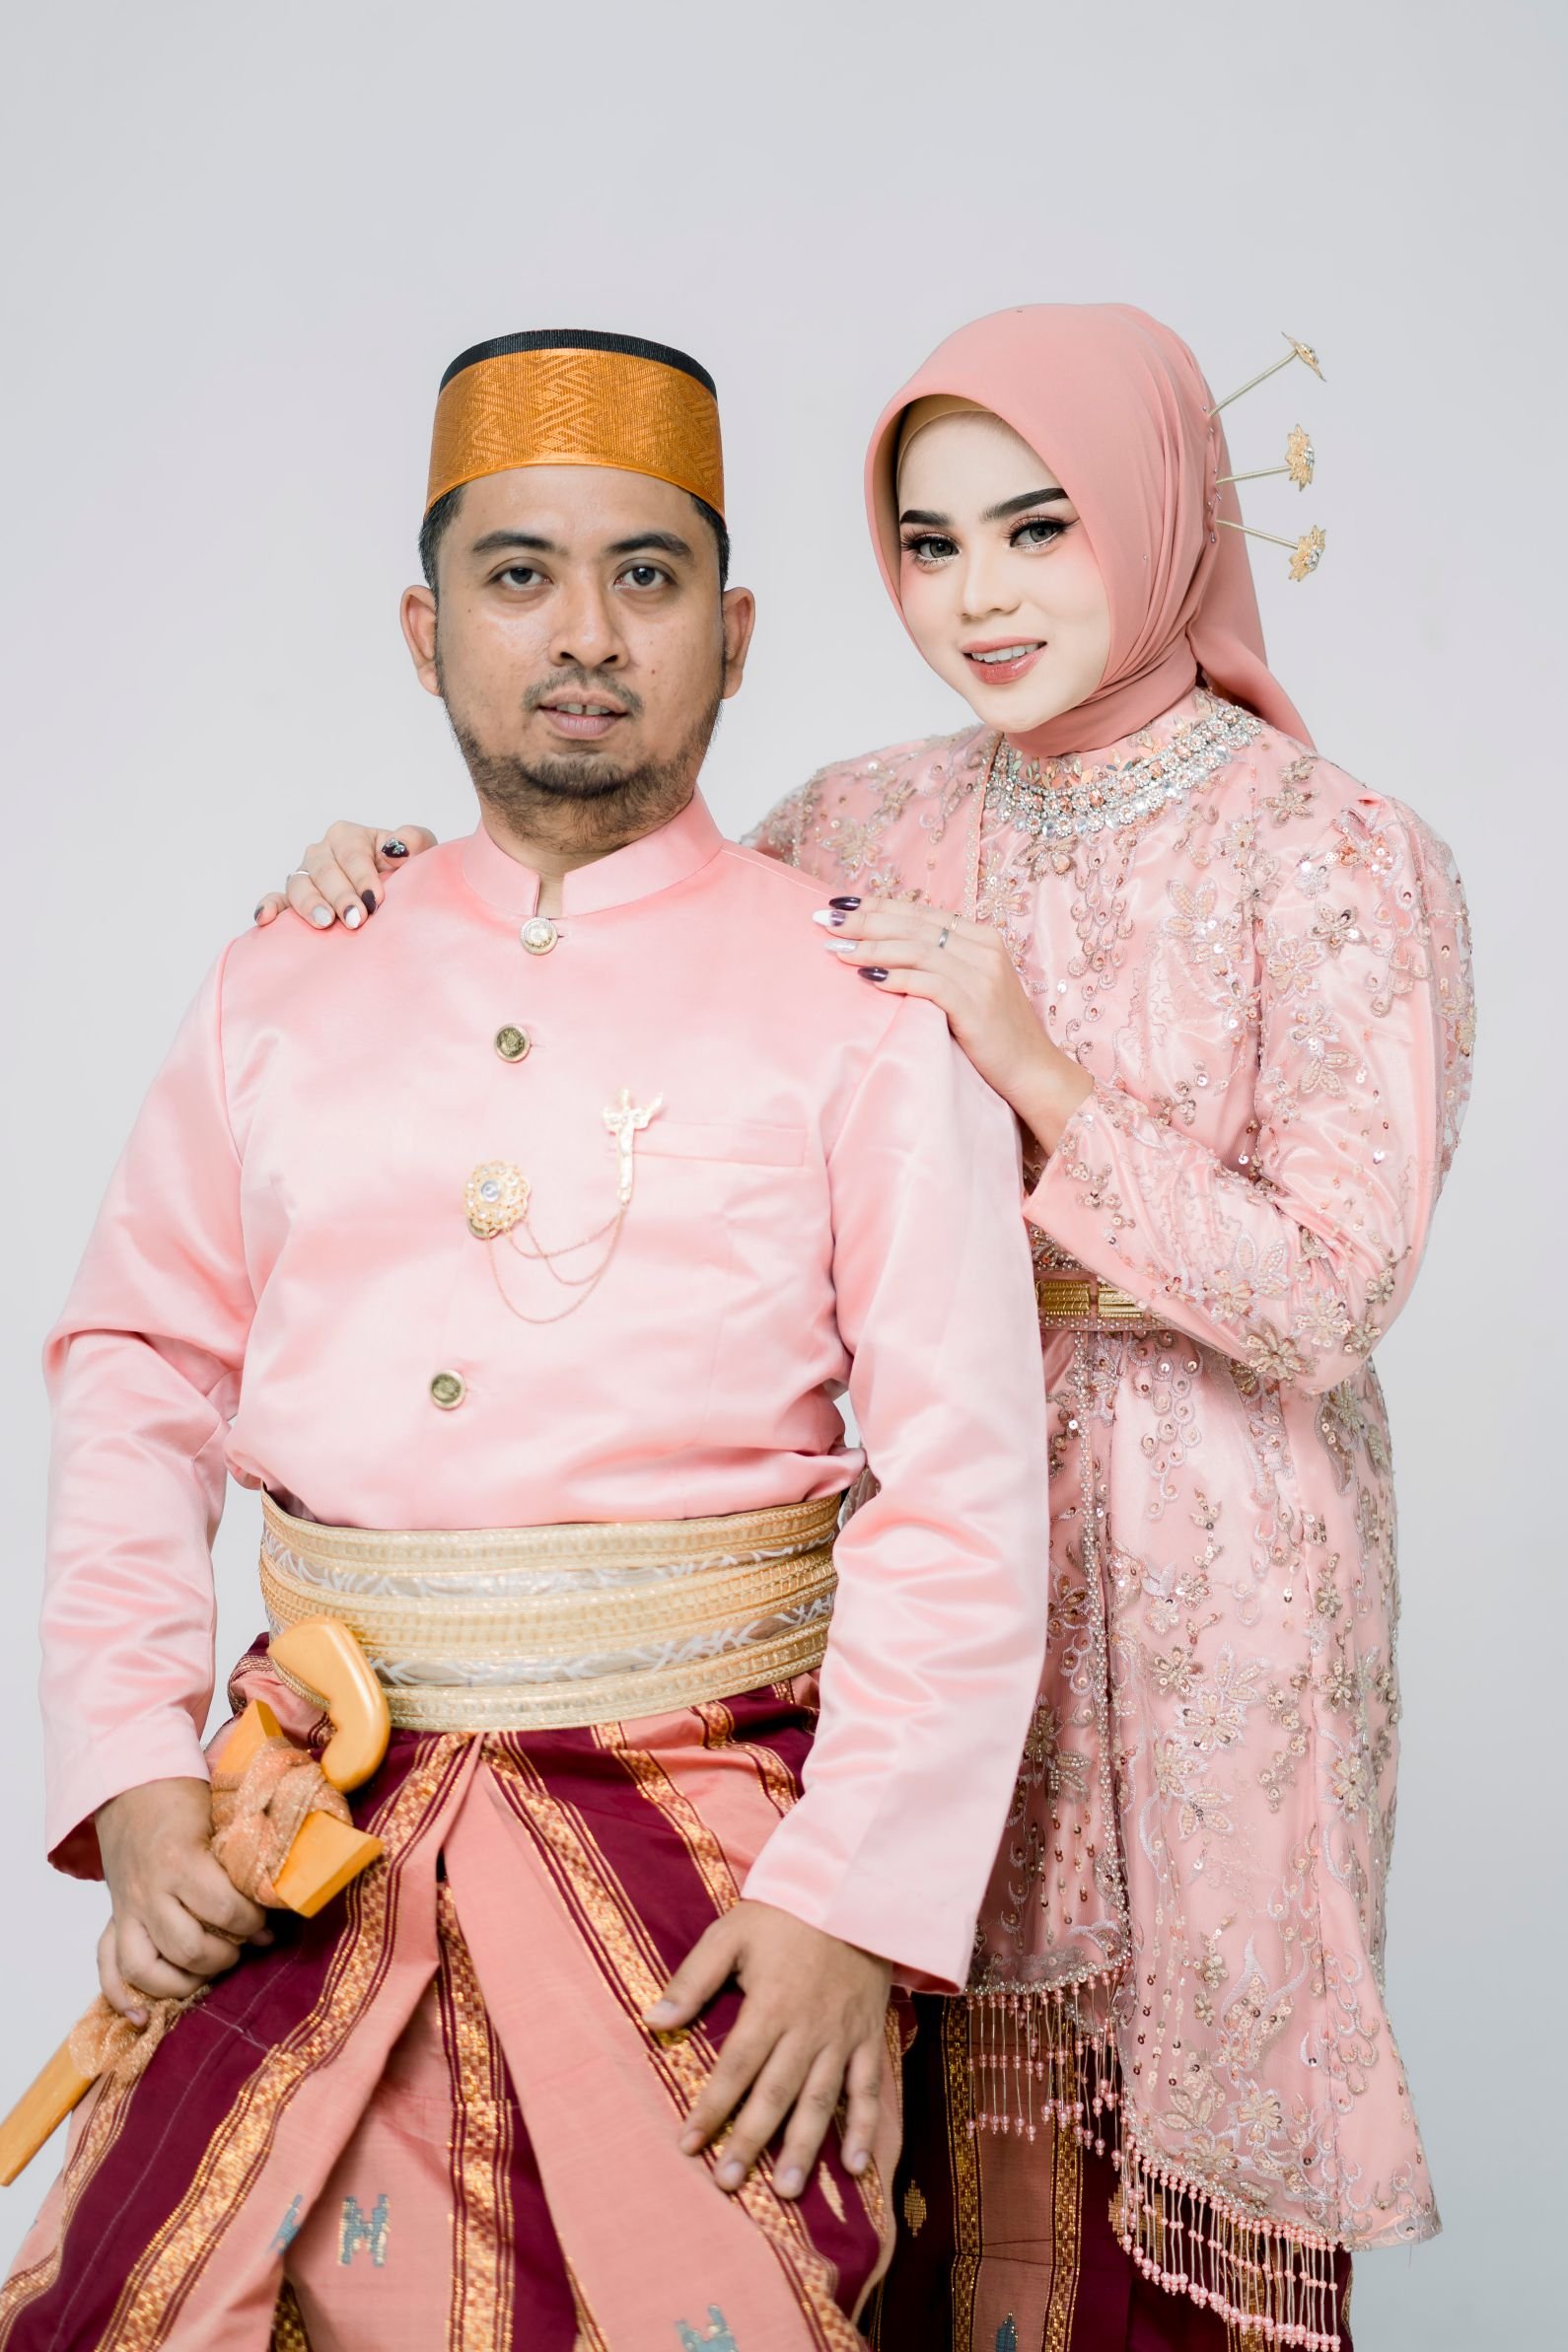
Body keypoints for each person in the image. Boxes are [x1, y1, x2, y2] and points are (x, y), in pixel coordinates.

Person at [275, 305, 1474, 2352]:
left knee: (1138, 2202)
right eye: (930, 544)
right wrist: (416, 886)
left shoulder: (1332, 849)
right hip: (904, 1579)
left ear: (1166, 518)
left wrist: (1041, 1071)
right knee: (870, 2132)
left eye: (1039, 528)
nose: (980, 595)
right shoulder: (860, 815)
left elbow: (1333, 1288)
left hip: (1206, 1601)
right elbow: (640, 964)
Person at [0, 326, 1054, 2351]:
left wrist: (849, 1902)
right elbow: (137, 1370)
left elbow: (964, 1482)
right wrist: (133, 1777)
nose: (585, 631)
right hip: (306, 1823)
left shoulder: (858, 1006)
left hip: (712, 1841)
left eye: (647, 575)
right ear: (425, 633)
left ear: (734, 635)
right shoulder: (284, 980)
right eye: (518, 574)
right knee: (149, 2293)